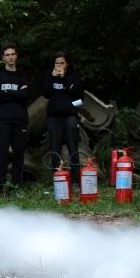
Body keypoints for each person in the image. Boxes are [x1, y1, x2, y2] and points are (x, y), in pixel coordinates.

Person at [0, 43, 30, 198]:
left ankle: (15, 189)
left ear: (16, 55)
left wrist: (6, 91)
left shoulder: (23, 75)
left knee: (19, 155)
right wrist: (15, 93)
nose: (10, 57)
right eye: (7, 54)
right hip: (2, 120)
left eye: (13, 54)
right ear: (3, 58)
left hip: (20, 120)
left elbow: (26, 96)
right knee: (0, 155)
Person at [45, 52, 84, 187]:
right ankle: (57, 180)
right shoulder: (51, 76)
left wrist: (64, 78)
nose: (59, 65)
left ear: (67, 64)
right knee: (55, 148)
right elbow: (45, 93)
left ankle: (75, 182)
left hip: (69, 116)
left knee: (73, 148)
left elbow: (78, 95)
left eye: (62, 63)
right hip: (54, 117)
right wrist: (52, 77)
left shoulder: (73, 76)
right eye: (57, 63)